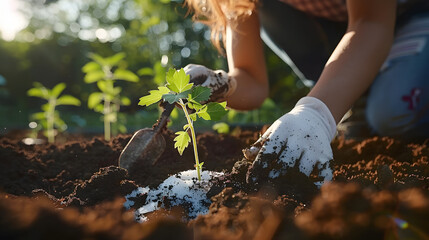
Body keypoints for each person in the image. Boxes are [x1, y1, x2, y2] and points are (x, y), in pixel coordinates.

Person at [181, 0, 429, 186]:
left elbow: (371, 21)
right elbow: (252, 82)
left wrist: (316, 113)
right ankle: (357, 99)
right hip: (347, 40)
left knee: (395, 113)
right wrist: (224, 84)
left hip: (404, 16)